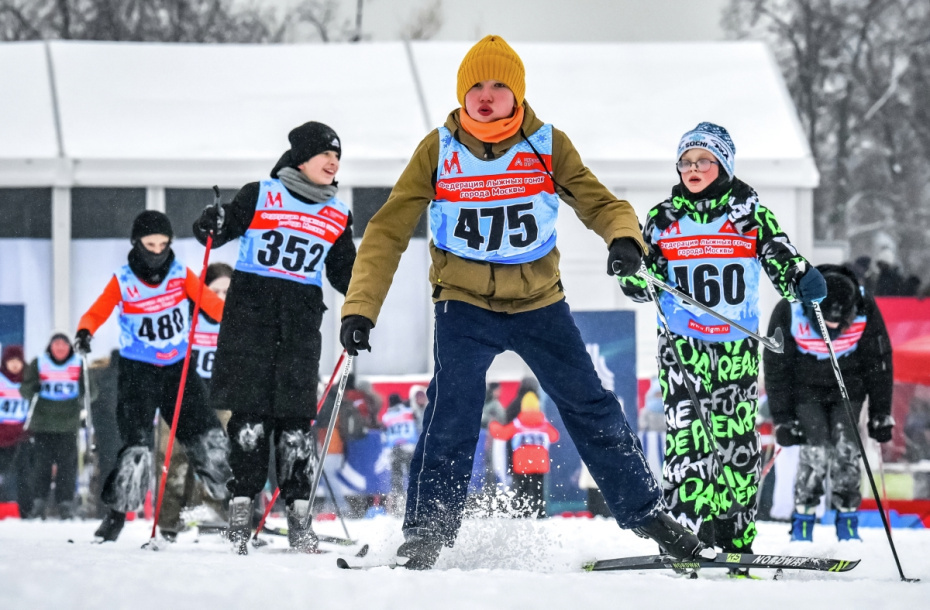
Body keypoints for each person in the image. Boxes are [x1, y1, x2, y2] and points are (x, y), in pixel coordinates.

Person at [338, 35, 712, 570]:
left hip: (539, 302)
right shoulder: (438, 150)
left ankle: (650, 515)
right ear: (461, 94)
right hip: (463, 305)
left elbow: (600, 201)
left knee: (590, 403)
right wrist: (360, 308)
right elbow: (387, 230)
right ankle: (426, 532)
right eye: (475, 87)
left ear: (518, 95)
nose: (486, 97)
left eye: (499, 87)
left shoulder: (545, 144)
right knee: (453, 411)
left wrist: (624, 239)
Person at [617, 121, 827, 573]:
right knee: (688, 440)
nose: (693, 168)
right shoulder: (661, 219)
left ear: (723, 164)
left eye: (703, 161)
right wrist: (629, 268)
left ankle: (733, 536)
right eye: (686, 161)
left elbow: (779, 256)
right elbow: (641, 285)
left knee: (734, 444)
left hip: (735, 346)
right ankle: (688, 535)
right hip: (682, 346)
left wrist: (800, 278)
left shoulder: (750, 215)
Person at [192, 121, 356, 554]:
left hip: (300, 328)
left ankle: (299, 517)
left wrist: (363, 309)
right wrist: (213, 221)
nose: (333, 162)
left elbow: (348, 275)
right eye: (325, 153)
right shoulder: (261, 193)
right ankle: (241, 515)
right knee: (249, 423)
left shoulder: (338, 213)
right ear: (301, 157)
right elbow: (217, 231)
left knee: (295, 426)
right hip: (251, 322)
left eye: (337, 156)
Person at [75, 210, 232, 541]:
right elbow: (97, 311)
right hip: (138, 372)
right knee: (136, 449)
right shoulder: (124, 280)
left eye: (164, 243)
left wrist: (239, 321)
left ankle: (234, 506)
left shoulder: (179, 273)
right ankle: (116, 517)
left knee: (208, 436)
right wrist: (85, 331)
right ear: (137, 243)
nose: (158, 250)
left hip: (178, 369)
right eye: (151, 244)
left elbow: (210, 305)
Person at [763, 263, 894, 541]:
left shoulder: (864, 305)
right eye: (829, 325)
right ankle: (803, 522)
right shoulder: (790, 306)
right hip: (805, 390)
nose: (835, 329)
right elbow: (776, 367)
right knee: (816, 451)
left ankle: (847, 521)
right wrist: (783, 419)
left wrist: (880, 413)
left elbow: (879, 363)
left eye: (840, 324)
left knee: (847, 451)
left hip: (848, 388)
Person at [157, 261, 235, 540]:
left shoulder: (236, 319)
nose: (221, 299)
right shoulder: (187, 315)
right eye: (215, 292)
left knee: (220, 454)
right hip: (185, 394)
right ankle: (168, 520)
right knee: (175, 457)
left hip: (221, 397)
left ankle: (220, 512)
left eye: (228, 292)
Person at [18, 334, 88, 519]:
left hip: (68, 424)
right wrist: (34, 388)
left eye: (64, 344)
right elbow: (25, 389)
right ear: (50, 347)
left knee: (67, 466)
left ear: (69, 347)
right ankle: (39, 502)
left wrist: (83, 393)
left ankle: (65, 504)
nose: (60, 347)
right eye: (56, 344)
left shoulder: (78, 363)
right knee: (41, 466)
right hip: (43, 424)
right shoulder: (39, 362)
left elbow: (91, 391)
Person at [488, 391, 559, 518]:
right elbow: (554, 436)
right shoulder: (543, 422)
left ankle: (522, 513)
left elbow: (502, 434)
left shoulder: (518, 423)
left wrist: (493, 424)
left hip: (522, 465)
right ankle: (540, 513)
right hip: (540, 465)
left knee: (522, 490)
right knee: (538, 491)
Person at [380, 393, 420, 516]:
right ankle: (416, 503)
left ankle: (398, 506)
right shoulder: (409, 412)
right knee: (414, 477)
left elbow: (384, 435)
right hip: (410, 447)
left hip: (395, 449)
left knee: (397, 479)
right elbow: (418, 424)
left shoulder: (386, 417)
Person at [0, 346, 30, 511]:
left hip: (21, 436)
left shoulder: (28, 380)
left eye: (17, 361)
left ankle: (25, 508)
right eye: (11, 361)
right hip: (1, 434)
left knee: (23, 474)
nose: (14, 365)